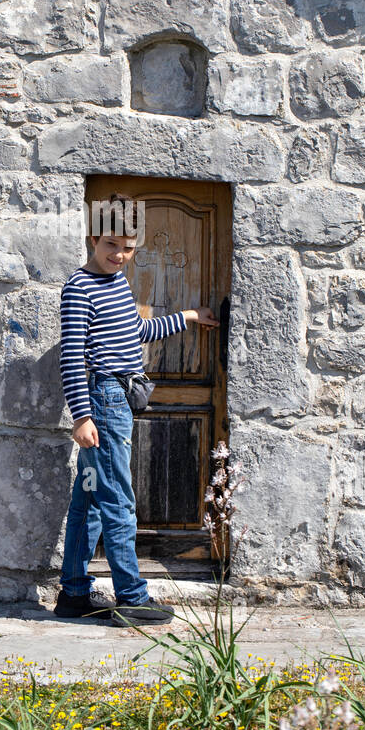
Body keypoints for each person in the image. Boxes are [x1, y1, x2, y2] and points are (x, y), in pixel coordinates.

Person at [55, 193, 219, 624]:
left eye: (129, 246)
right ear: (92, 239)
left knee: (90, 497)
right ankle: (130, 595)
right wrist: (82, 416)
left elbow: (136, 330)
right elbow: (71, 356)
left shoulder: (117, 284)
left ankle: (73, 593)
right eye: (111, 244)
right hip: (103, 404)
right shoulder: (79, 288)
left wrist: (186, 317)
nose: (120, 254)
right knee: (117, 501)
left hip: (117, 399)